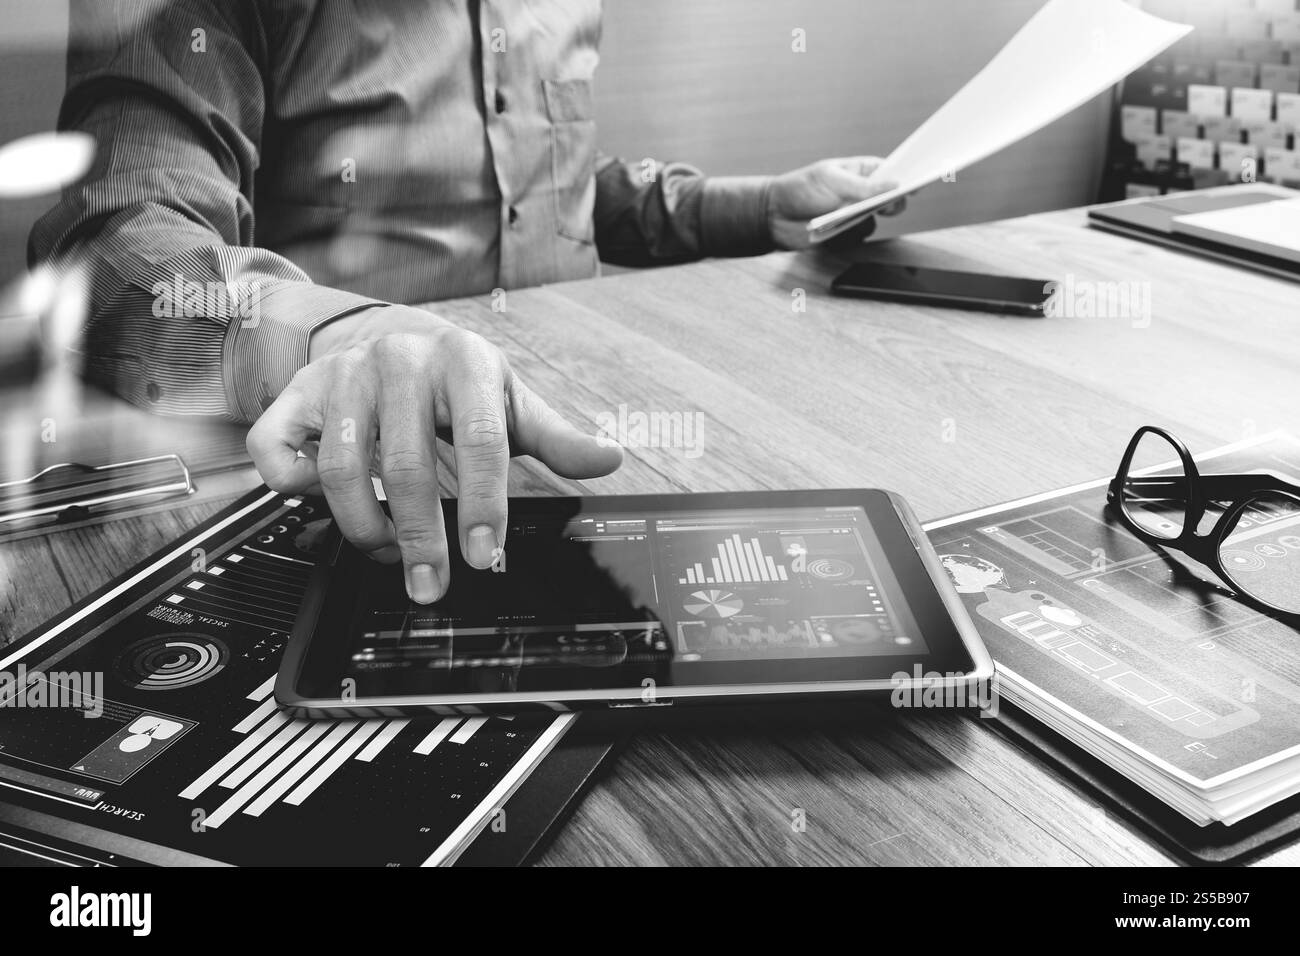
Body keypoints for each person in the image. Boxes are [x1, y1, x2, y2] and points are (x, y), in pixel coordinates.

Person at [30, 0, 902, 604]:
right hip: (365, 490)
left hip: (600, 446)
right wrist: (337, 334)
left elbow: (559, 187)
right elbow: (116, 230)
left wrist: (763, 207)